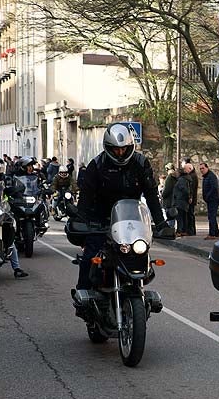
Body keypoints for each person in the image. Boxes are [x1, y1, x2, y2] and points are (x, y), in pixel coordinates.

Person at [73, 123, 172, 291]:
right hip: (101, 218)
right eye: (115, 149)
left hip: (130, 219)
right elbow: (86, 196)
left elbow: (151, 195)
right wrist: (81, 220)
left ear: (130, 146)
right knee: (90, 256)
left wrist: (161, 223)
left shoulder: (140, 163)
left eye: (124, 149)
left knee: (139, 254)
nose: (120, 153)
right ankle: (83, 294)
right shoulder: (97, 165)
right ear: (107, 147)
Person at [200, 162, 219, 239]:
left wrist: (207, 196)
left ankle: (212, 234)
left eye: (203, 168)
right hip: (210, 199)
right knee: (212, 216)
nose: (201, 170)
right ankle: (216, 232)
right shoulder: (206, 176)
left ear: (207, 168)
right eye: (200, 169)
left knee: (211, 216)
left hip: (213, 199)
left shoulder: (211, 176)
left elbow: (214, 188)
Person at [180, 162, 199, 236]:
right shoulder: (192, 175)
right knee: (190, 215)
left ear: (190, 169)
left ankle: (190, 231)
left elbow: (191, 188)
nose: (184, 170)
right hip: (191, 199)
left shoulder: (192, 176)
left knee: (190, 215)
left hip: (190, 199)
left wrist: (190, 197)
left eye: (185, 169)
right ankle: (190, 230)